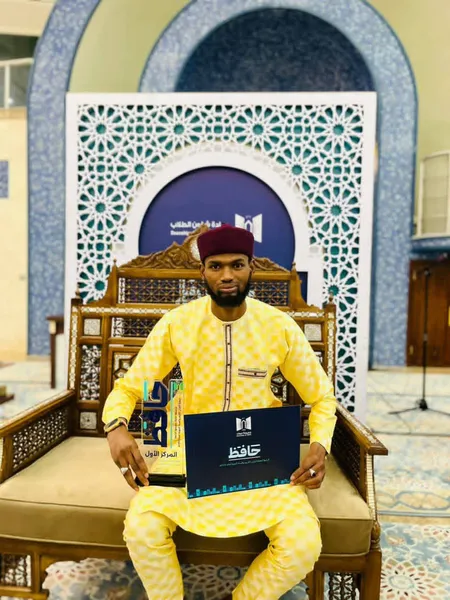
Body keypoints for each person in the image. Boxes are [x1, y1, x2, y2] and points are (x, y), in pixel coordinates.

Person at [103, 224, 337, 600]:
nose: (227, 275)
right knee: (142, 528)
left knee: (303, 542)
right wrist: (115, 427)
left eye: (237, 265)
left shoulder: (279, 327)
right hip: (189, 455)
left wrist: (319, 445)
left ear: (250, 269)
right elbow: (129, 387)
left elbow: (322, 396)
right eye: (216, 266)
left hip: (260, 459)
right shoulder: (178, 324)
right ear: (203, 272)